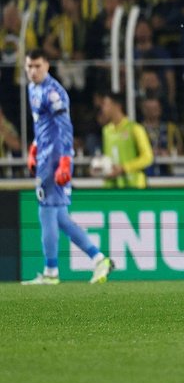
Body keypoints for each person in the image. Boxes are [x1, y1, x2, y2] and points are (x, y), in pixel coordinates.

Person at [22, 49, 114, 285]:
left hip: (54, 158)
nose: (33, 71)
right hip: (44, 153)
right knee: (60, 217)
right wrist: (34, 147)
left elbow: (64, 127)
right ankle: (99, 259)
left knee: (46, 212)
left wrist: (64, 160)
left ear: (47, 65)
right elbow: (42, 125)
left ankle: (51, 272)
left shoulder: (53, 92)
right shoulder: (32, 88)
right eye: (29, 66)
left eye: (37, 66)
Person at [99, 90, 154, 189]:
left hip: (135, 186)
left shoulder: (135, 129)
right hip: (113, 187)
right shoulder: (107, 131)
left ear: (117, 106)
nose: (103, 109)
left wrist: (124, 168)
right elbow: (109, 159)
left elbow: (148, 157)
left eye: (106, 105)